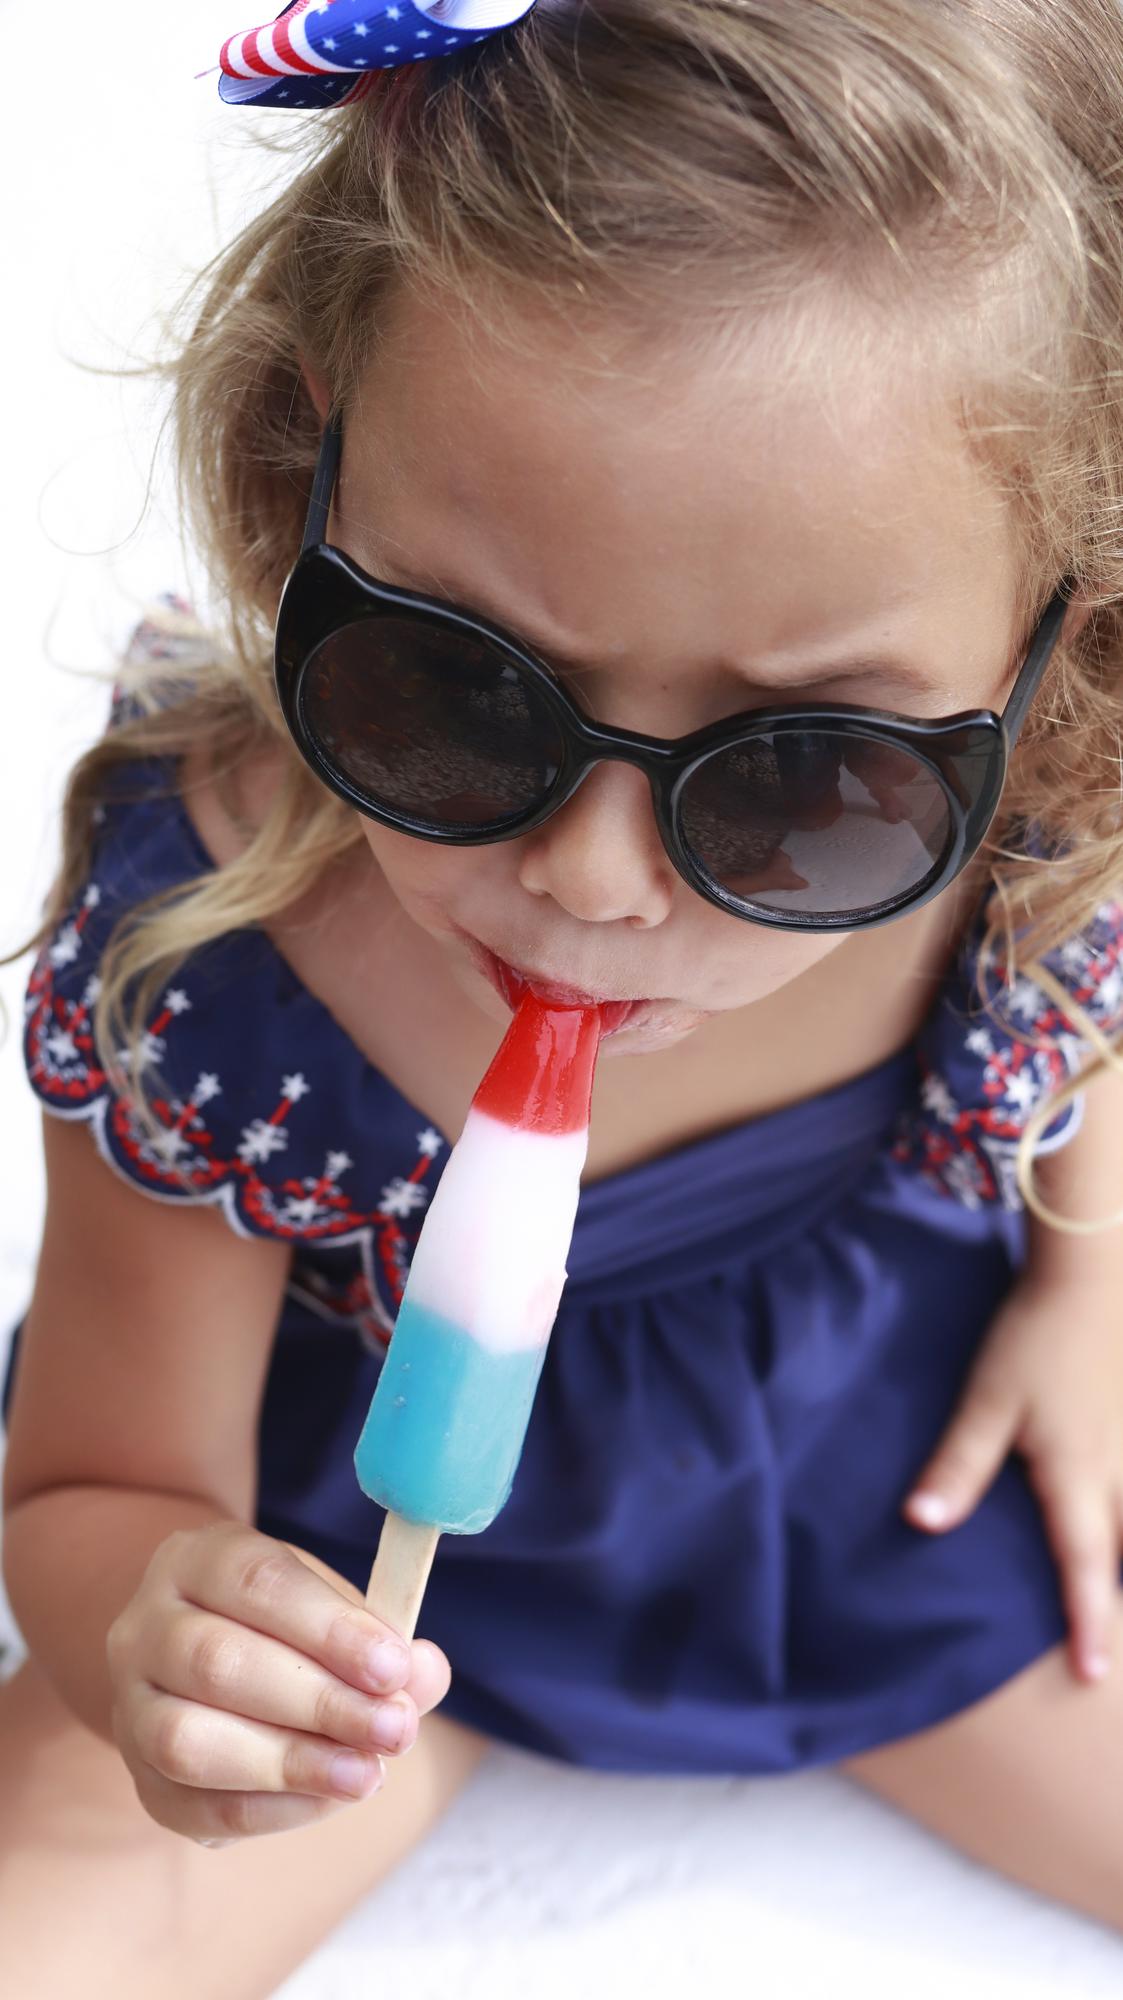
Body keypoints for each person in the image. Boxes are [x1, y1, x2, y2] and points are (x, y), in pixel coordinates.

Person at [3, 0, 1123, 1990]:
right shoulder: (220, 963)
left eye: (804, 778)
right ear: (296, 455)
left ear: (1068, 678)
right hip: (365, 1614)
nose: (588, 881)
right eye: (451, 686)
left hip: (892, 1528)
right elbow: (99, 1478)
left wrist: (1087, 1286)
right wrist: (158, 1629)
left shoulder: (1031, 837)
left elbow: (1094, 1017)